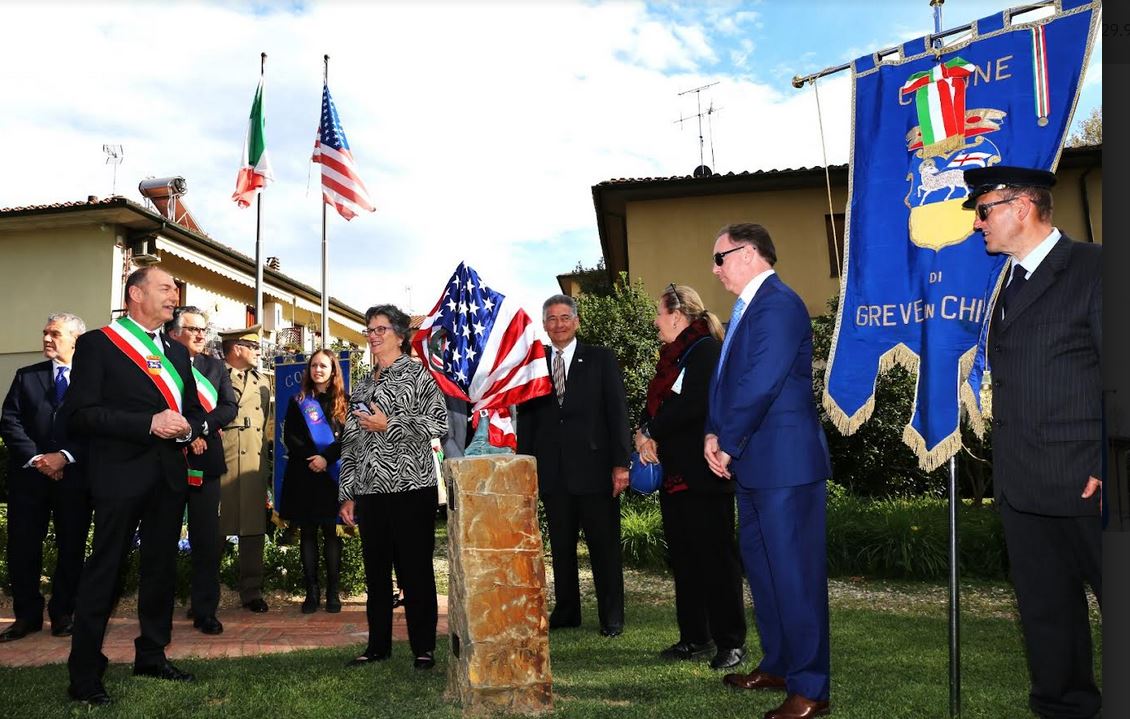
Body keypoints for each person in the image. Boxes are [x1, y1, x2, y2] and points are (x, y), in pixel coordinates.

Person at [964, 165, 1102, 719]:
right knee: (1047, 612)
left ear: (1021, 207)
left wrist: (1103, 457)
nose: (978, 225)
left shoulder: (1094, 267)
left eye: (983, 211)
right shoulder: (1007, 282)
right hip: (1023, 481)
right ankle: (1063, 706)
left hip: (1089, 479)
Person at [704, 224, 832, 719]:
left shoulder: (779, 303)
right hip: (754, 466)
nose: (714, 270)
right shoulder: (749, 309)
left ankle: (811, 688)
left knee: (795, 576)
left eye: (720, 258)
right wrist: (713, 436)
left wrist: (727, 440)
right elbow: (727, 385)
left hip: (785, 465)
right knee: (766, 574)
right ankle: (779, 665)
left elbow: (760, 382)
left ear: (750, 253)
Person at [65, 266, 206, 705]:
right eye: (165, 288)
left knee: (161, 569)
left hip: (167, 478)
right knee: (106, 571)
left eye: (175, 290)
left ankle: (152, 655)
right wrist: (147, 423)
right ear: (135, 294)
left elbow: (189, 413)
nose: (173, 296)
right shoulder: (98, 345)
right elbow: (80, 414)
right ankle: (85, 674)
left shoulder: (179, 354)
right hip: (119, 476)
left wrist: (186, 429)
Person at [634, 284, 747, 670]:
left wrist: (652, 431)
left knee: (716, 559)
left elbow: (694, 405)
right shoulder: (673, 357)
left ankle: (730, 642)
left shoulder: (706, 351)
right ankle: (695, 637)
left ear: (677, 316)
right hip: (676, 474)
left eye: (659, 313)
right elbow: (663, 406)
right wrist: (644, 431)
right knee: (684, 559)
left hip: (705, 473)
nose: (655, 320)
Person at [338, 305, 447, 670]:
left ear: (400, 336)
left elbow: (439, 423)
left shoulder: (419, 375)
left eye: (380, 329)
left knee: (415, 569)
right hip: (371, 491)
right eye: (369, 330)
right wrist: (347, 493)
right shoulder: (364, 384)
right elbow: (351, 442)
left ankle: (423, 647)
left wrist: (391, 424)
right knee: (376, 572)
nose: (372, 336)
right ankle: (377, 646)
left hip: (412, 487)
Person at [516, 294, 631, 638]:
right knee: (561, 547)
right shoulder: (535, 365)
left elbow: (617, 414)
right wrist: (526, 465)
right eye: (551, 319)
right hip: (553, 472)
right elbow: (528, 421)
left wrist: (620, 464)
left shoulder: (600, 359)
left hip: (595, 471)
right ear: (544, 324)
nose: (558, 324)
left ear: (577, 321)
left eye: (565, 317)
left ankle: (612, 616)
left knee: (604, 547)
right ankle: (567, 610)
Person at [0, 313, 91, 642]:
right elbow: (10, 421)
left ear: (75, 340)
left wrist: (63, 456)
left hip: (74, 479)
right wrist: (38, 458)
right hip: (30, 479)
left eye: (55, 333)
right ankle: (27, 616)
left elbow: (96, 426)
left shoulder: (92, 380)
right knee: (23, 547)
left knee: (71, 546)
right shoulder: (27, 376)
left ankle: (63, 612)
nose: (47, 339)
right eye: (45, 333)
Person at [167, 306, 238, 635]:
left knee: (206, 541)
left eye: (203, 330)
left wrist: (200, 429)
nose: (200, 335)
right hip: (167, 461)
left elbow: (228, 406)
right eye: (193, 329)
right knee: (162, 539)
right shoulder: (160, 362)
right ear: (176, 331)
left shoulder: (214, 366)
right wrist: (186, 436)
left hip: (206, 462)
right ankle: (159, 609)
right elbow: (155, 405)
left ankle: (205, 610)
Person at [279, 349, 347, 614]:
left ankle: (333, 592)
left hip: (331, 476)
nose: (318, 370)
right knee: (307, 533)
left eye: (323, 366)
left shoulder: (344, 402)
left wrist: (325, 459)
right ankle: (312, 592)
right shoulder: (298, 401)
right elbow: (291, 437)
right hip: (304, 475)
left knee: (331, 533)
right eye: (314, 365)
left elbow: (347, 439)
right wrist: (313, 457)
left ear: (333, 370)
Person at [218, 325, 271, 613]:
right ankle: (205, 591)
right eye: (252, 346)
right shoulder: (213, 375)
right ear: (236, 348)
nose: (257, 351)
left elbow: (266, 422)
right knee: (215, 529)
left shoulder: (263, 382)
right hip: (222, 460)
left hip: (252, 461)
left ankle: (251, 591)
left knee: (253, 528)